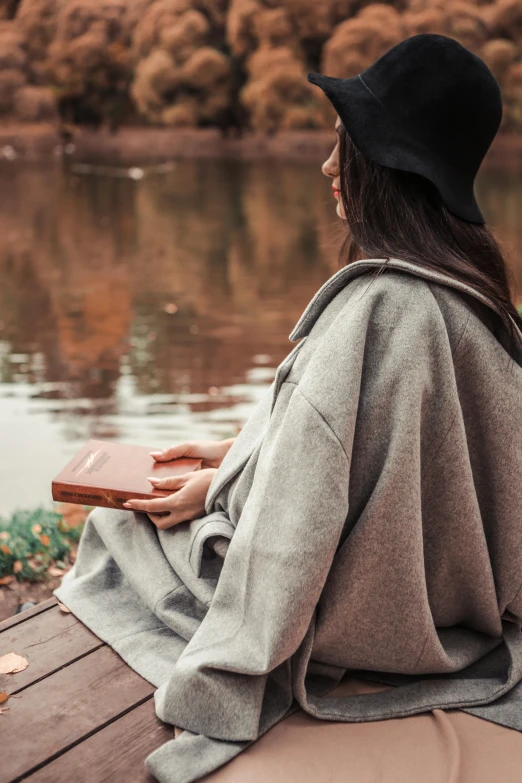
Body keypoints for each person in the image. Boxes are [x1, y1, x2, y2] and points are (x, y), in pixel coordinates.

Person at [56, 34, 522, 783]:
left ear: (390, 167)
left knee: (119, 529)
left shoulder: (370, 311)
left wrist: (223, 497)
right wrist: (225, 460)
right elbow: (364, 449)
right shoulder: (481, 308)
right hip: (453, 624)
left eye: (347, 146)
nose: (329, 167)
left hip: (346, 625)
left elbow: (289, 536)